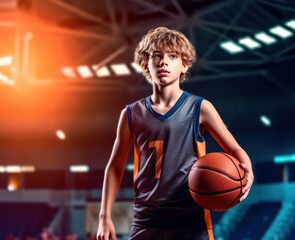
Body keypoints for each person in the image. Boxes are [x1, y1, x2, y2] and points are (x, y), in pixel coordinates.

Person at [96, 27, 254, 240]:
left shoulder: (200, 107)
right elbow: (115, 167)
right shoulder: (131, 114)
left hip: (189, 215)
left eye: (172, 56)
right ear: (145, 63)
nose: (164, 62)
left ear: (184, 65)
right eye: (157, 56)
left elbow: (234, 149)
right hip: (147, 216)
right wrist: (104, 216)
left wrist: (249, 173)